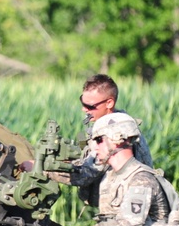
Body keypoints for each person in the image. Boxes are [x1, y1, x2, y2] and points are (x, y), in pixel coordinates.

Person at [66, 74, 153, 207]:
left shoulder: (116, 132)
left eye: (89, 106)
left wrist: (43, 168)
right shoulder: (109, 125)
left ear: (109, 103)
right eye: (82, 102)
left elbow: (85, 175)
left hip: (127, 210)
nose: (84, 109)